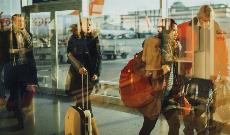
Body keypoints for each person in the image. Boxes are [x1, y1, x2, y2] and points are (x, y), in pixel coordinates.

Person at [177, 5, 229, 135]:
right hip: (193, 73)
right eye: (203, 19)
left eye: (208, 20)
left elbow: (223, 51)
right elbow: (178, 38)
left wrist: (225, 73)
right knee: (195, 104)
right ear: (199, 17)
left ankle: (194, 129)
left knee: (205, 106)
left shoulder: (216, 27)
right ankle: (191, 128)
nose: (205, 23)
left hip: (209, 73)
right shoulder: (189, 26)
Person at [139, 18, 184, 135]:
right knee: (148, 127)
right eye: (174, 30)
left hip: (169, 96)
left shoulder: (176, 47)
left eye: (176, 30)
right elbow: (146, 69)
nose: (176, 33)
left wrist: (180, 87)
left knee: (175, 124)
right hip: (156, 95)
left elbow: (177, 70)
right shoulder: (154, 44)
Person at [0, 14, 38, 129]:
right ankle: (20, 122)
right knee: (16, 96)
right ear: (13, 22)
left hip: (24, 71)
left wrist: (33, 78)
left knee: (20, 96)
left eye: (22, 21)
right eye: (18, 21)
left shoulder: (28, 35)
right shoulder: (6, 34)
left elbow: (30, 55)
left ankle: (13, 107)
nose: (21, 23)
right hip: (12, 69)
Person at [66, 18, 101, 135]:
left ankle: (77, 128)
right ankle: (93, 132)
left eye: (90, 24)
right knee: (86, 106)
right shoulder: (73, 39)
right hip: (77, 77)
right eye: (87, 24)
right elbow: (70, 56)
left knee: (82, 104)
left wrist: (96, 73)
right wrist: (79, 67)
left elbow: (98, 57)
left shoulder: (94, 38)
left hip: (89, 78)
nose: (89, 26)